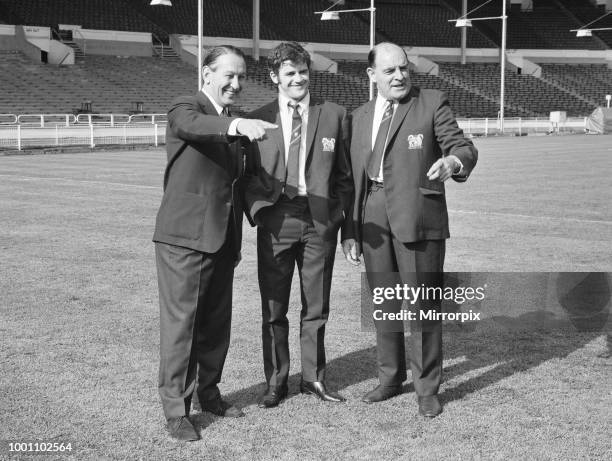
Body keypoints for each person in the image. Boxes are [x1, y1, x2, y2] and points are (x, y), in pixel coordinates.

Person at [345, 42, 478, 418]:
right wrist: (351, 229)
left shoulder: (432, 102)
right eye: (389, 71)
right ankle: (390, 378)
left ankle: (427, 388)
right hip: (372, 216)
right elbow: (350, 179)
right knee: (383, 303)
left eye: (404, 68)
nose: (400, 76)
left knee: (423, 302)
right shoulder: (357, 117)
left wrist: (453, 161)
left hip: (418, 215)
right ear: (372, 76)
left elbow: (462, 146)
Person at [153, 45, 277, 442]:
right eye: (229, 75)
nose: (236, 84)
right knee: (182, 327)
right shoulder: (185, 106)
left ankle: (209, 393)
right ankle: (176, 410)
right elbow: (193, 125)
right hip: (184, 240)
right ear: (206, 73)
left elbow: (245, 182)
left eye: (241, 77)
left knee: (215, 325)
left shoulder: (232, 123)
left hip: (224, 240)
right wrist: (236, 127)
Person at [243, 42, 354, 408]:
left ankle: (313, 378)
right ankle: (276, 382)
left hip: (318, 222)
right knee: (274, 308)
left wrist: (337, 219)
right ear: (275, 77)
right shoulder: (258, 118)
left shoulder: (334, 115)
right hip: (276, 221)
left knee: (316, 306)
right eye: (289, 73)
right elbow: (246, 176)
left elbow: (345, 175)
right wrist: (260, 211)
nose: (298, 79)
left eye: (303, 72)